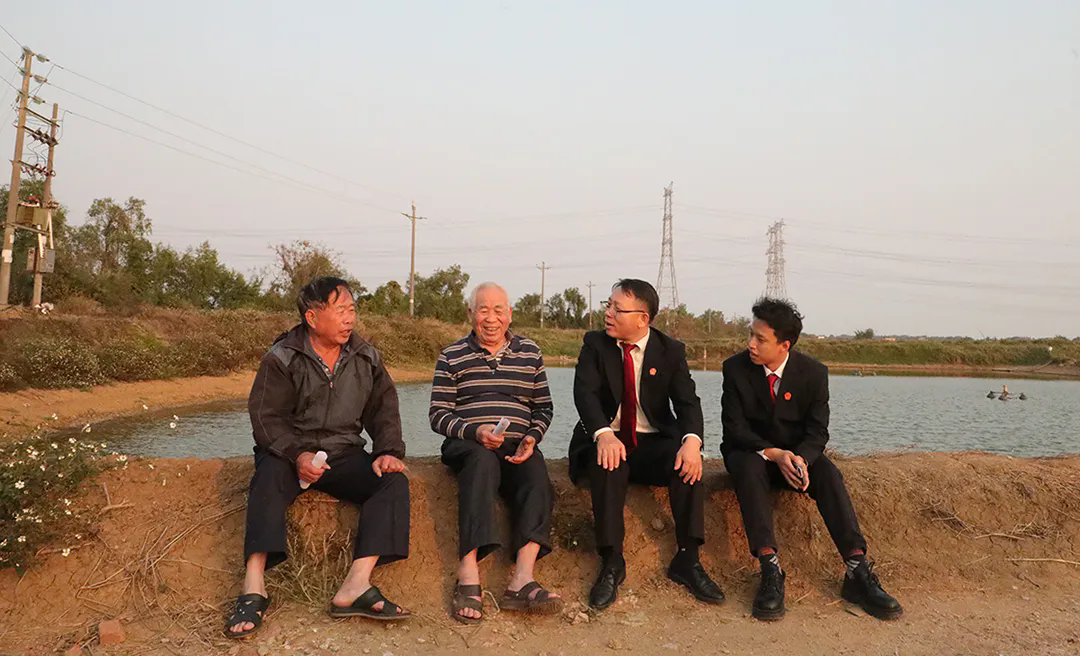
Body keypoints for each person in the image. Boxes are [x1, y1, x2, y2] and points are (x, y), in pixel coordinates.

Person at [226, 277, 411, 638]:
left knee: (392, 482)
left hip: (343, 452)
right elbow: (266, 418)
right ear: (312, 317)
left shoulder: (366, 356)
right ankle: (253, 586)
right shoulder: (282, 357)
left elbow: (384, 409)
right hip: (289, 452)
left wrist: (388, 451)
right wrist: (298, 454)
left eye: (352, 310)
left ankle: (355, 586)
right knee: (267, 478)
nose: (349, 318)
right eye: (340, 311)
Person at [721, 297, 903, 621]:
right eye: (751, 335)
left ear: (785, 345)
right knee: (748, 467)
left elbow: (818, 431)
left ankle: (857, 569)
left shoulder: (813, 373)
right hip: (752, 453)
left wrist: (802, 460)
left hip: (796, 457)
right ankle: (770, 570)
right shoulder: (735, 369)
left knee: (829, 474)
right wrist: (775, 454)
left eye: (760, 339)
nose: (750, 344)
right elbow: (734, 429)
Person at [568, 279, 723, 610]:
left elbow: (688, 403)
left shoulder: (670, 351)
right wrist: (603, 433)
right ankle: (612, 562)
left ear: (642, 318)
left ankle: (688, 559)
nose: (608, 313)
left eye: (617, 309)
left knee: (686, 464)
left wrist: (692, 442)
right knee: (608, 462)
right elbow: (584, 394)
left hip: (652, 442)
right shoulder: (595, 344)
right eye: (608, 306)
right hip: (606, 439)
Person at [430, 282, 561, 623]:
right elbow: (438, 415)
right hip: (468, 443)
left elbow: (543, 408)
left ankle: (522, 579)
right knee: (481, 460)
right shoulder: (452, 355)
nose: (491, 318)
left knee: (536, 474)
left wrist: (532, 437)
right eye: (483, 310)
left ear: (510, 314)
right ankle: (468, 573)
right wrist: (475, 432)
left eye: (498, 310)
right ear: (470, 314)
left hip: (515, 444)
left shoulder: (530, 352)